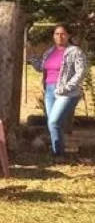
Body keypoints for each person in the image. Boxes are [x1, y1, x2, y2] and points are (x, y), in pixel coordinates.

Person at [30, 24, 88, 159]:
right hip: (49, 90)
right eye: (56, 34)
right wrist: (32, 57)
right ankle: (58, 151)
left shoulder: (75, 51)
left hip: (67, 92)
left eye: (62, 34)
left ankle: (58, 154)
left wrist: (67, 87)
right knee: (54, 123)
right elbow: (41, 67)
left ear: (68, 36)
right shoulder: (49, 52)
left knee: (53, 122)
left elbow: (81, 72)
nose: (59, 37)